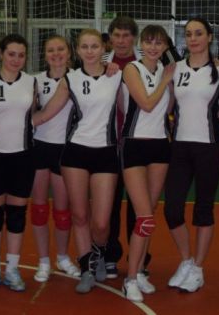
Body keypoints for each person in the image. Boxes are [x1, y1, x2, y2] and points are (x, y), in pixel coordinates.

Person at [33, 28, 122, 294]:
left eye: (95, 46)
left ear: (103, 48)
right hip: (75, 153)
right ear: (78, 50)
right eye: (85, 46)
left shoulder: (116, 75)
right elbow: (46, 113)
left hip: (106, 152)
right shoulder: (69, 79)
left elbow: (132, 106)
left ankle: (99, 252)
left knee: (102, 222)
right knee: (79, 215)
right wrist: (11, 124)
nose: (90, 51)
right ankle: (86, 267)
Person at [163, 16, 219, 293]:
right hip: (179, 147)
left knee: (203, 209)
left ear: (209, 37)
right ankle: (187, 261)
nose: (193, 38)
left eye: (199, 33)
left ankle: (198, 269)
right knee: (172, 209)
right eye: (189, 34)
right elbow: (162, 101)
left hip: (209, 148)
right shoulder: (174, 69)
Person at [120, 25, 175, 302]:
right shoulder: (132, 69)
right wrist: (166, 80)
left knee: (149, 215)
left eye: (159, 43)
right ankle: (129, 279)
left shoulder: (166, 71)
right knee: (143, 217)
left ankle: (140, 270)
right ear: (141, 44)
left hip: (160, 145)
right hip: (134, 145)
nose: (154, 47)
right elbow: (146, 104)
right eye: (149, 42)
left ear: (165, 47)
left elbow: (168, 108)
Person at [0, 34, 36, 292]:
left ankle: (12, 269)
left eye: (21, 55)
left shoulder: (31, 82)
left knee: (16, 215)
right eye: (11, 54)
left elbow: (34, 115)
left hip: (22, 156)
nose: (16, 59)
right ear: (1, 53)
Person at [31, 35, 80, 281]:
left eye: (61, 49)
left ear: (69, 52)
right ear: (45, 54)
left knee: (62, 210)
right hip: (39, 147)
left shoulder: (78, 79)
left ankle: (62, 257)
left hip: (65, 149)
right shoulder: (34, 81)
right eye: (51, 50)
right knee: (39, 208)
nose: (56, 54)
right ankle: (43, 261)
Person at [103, 15, 147, 279]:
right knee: (109, 203)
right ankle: (109, 255)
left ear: (134, 38)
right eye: (116, 35)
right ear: (110, 38)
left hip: (137, 142)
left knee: (137, 206)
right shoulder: (99, 62)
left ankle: (138, 259)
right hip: (107, 143)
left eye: (126, 35)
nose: (121, 41)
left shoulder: (146, 63)